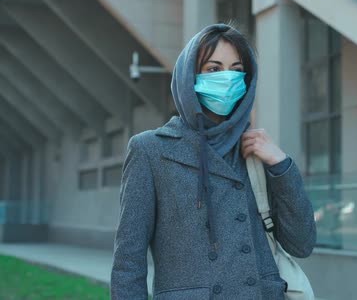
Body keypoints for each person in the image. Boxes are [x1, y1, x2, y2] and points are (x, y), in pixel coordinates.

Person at [110, 23, 316, 299]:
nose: (227, 78)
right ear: (189, 77)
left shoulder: (257, 150)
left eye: (237, 70)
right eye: (213, 69)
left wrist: (282, 166)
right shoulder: (150, 150)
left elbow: (302, 244)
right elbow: (128, 263)